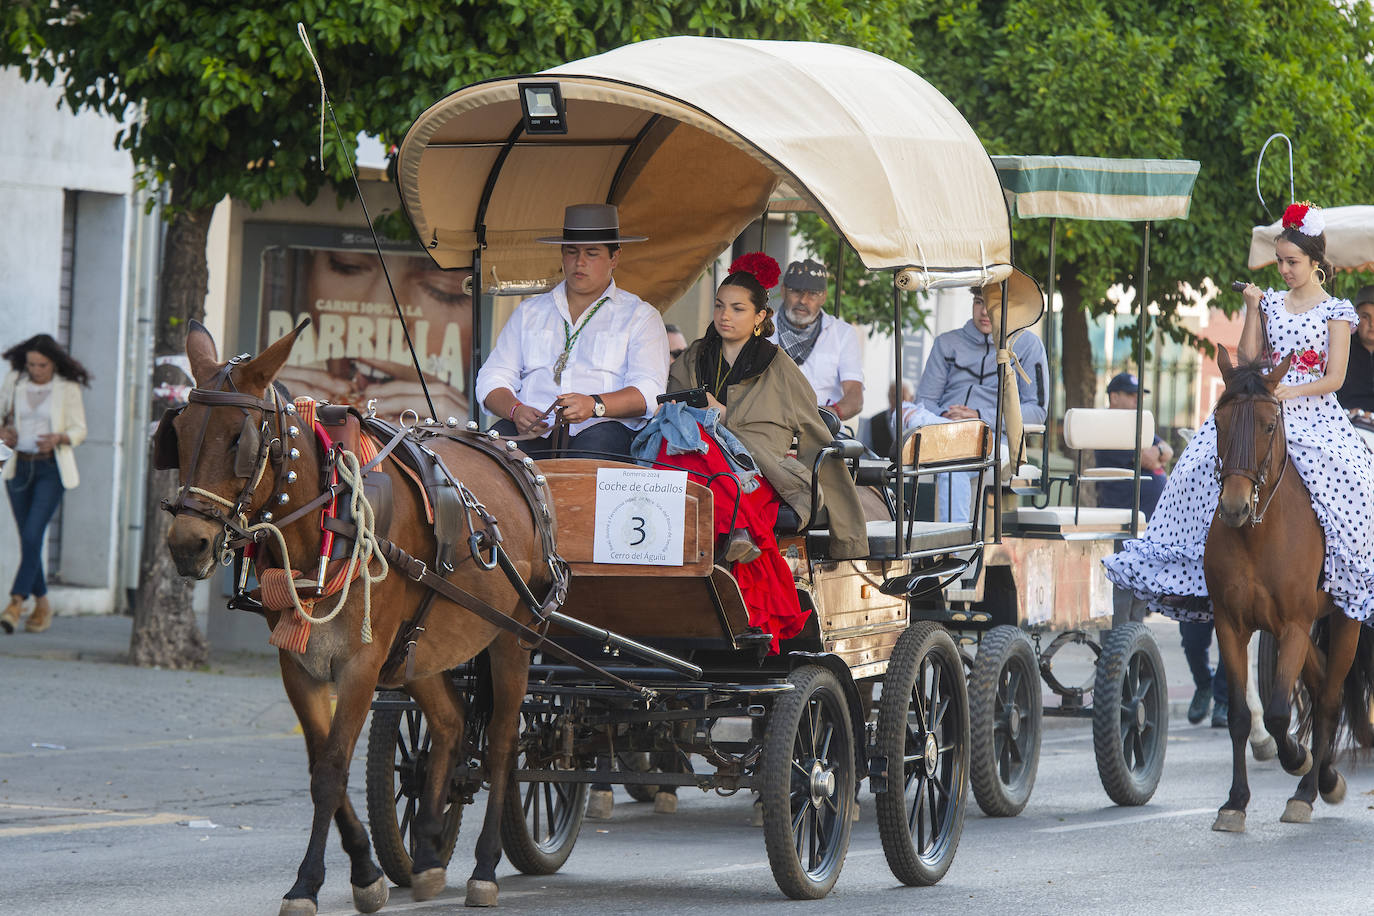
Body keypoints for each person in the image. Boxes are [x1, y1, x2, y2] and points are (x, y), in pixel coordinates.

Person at [1105, 203, 1374, 731]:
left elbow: (1335, 379)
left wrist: (1287, 392)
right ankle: (1187, 562)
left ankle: (1351, 571)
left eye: (1292, 261)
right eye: (1279, 261)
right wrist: (1253, 309)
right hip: (1261, 407)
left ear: (1314, 260)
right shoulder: (1271, 301)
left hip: (1312, 413)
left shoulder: (1338, 311)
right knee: (1199, 461)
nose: (1284, 270)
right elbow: (1249, 361)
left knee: (1353, 477)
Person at [477, 204, 669, 458]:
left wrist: (596, 405)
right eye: (571, 252)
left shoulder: (640, 316)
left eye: (591, 253)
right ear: (562, 254)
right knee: (488, 455)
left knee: (591, 456)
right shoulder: (529, 312)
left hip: (603, 428)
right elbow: (492, 378)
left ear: (615, 257)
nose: (579, 262)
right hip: (533, 428)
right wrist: (515, 410)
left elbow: (649, 392)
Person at [1095, 372, 1224, 723]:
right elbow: (1152, 457)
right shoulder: (1110, 424)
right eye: (1131, 394)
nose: (1136, 400)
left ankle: (1132, 664)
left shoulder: (1136, 425)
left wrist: (1157, 452)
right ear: (1115, 396)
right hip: (1125, 518)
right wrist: (1155, 453)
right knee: (1125, 604)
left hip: (1154, 526)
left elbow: (1162, 450)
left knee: (1139, 603)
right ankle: (1115, 670)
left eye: (1139, 394)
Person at [264, 246, 472, 422]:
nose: (373, 324)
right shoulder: (277, 401)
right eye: (348, 265)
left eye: (442, 289)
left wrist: (461, 443)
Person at [916, 285, 1048, 522]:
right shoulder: (946, 343)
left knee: (953, 465)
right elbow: (925, 402)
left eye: (994, 304)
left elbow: (1037, 412)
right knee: (903, 415)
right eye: (979, 302)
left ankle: (953, 551)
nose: (985, 311)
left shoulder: (1028, 346)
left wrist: (978, 416)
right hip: (946, 432)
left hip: (997, 440)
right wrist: (948, 416)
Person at [0, 334, 89, 634]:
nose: (36, 369)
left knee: (32, 533)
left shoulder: (66, 387)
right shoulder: (14, 381)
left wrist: (59, 438)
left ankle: (15, 603)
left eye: (42, 364)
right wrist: (4, 432)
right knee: (30, 538)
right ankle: (43, 604)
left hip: (51, 469)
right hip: (18, 466)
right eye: (31, 364)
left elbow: (79, 430)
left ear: (53, 363)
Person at [768, 258, 864, 421]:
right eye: (796, 291)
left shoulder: (842, 334)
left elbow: (855, 398)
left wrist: (824, 416)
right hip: (769, 424)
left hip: (822, 430)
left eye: (813, 293)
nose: (804, 300)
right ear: (783, 291)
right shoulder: (762, 330)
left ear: (824, 297)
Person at [1336, 285, 1374, 415]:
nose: (1372, 324)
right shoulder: (1341, 348)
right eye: (1365, 317)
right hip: (1348, 421)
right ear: (1356, 317)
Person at [866, 380, 918, 459]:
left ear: (911, 398)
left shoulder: (919, 422)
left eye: (902, 397)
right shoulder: (874, 421)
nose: (897, 400)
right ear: (888, 397)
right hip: (883, 469)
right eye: (894, 396)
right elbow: (865, 453)